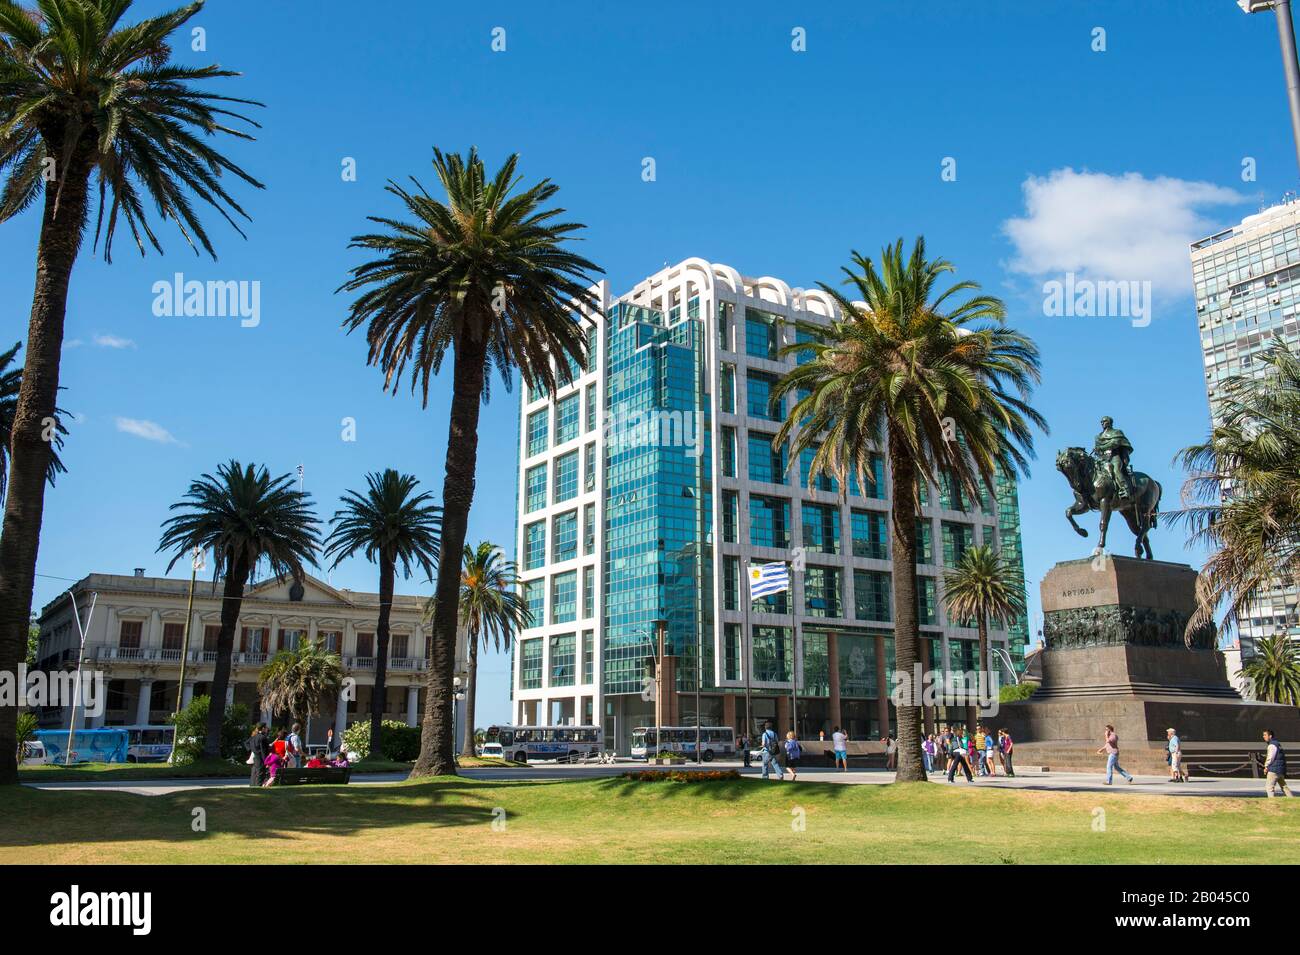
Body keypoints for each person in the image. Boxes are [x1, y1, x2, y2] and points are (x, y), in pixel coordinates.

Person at [1263, 729, 1292, 797]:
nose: (1263, 736)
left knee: (1269, 787)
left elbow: (1270, 758)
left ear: (1270, 736)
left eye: (1265, 735)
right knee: (1284, 787)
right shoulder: (1277, 744)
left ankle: (1272, 803)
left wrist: (1266, 766)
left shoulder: (1272, 745)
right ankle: (1292, 800)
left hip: (1274, 770)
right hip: (1280, 770)